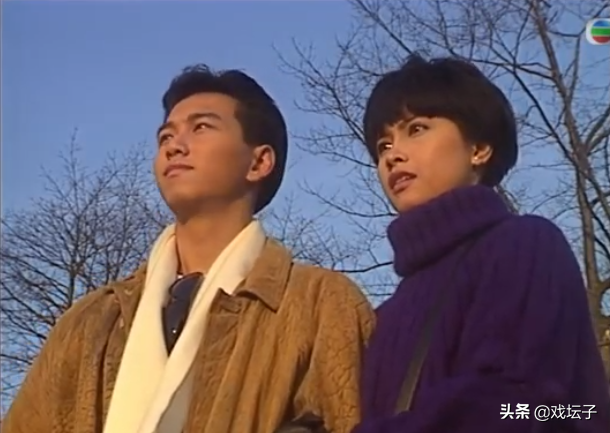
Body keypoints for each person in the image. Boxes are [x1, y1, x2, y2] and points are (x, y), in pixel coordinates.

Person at [3, 65, 375, 433]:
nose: (174, 146)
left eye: (201, 128)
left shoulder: (320, 304)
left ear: (259, 162)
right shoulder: (90, 320)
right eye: (165, 136)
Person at [352, 54, 610, 433]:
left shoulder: (524, 245)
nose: (393, 155)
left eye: (417, 129)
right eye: (383, 145)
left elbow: (520, 406)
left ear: (479, 149)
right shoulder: (386, 315)